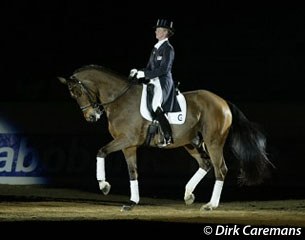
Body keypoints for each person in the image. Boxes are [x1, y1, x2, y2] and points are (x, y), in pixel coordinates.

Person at [130, 19, 180, 146]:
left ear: (165, 32)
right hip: (153, 81)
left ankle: (167, 136)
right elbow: (149, 68)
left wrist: (145, 74)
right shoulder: (155, 49)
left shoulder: (168, 49)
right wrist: (139, 71)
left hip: (163, 82)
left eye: (158, 30)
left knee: (155, 104)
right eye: (156, 29)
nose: (156, 31)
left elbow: (164, 69)